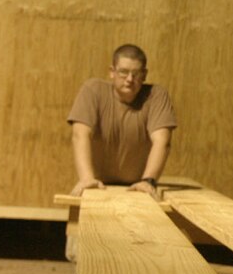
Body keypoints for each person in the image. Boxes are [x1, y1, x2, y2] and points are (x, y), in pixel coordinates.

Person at [67, 44, 177, 199]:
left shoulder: (156, 96)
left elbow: (162, 141)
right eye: (123, 72)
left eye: (136, 73)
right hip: (98, 185)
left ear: (144, 74)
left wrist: (148, 181)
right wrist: (86, 178)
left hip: (137, 187)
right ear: (112, 72)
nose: (130, 80)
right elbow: (80, 135)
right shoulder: (93, 91)